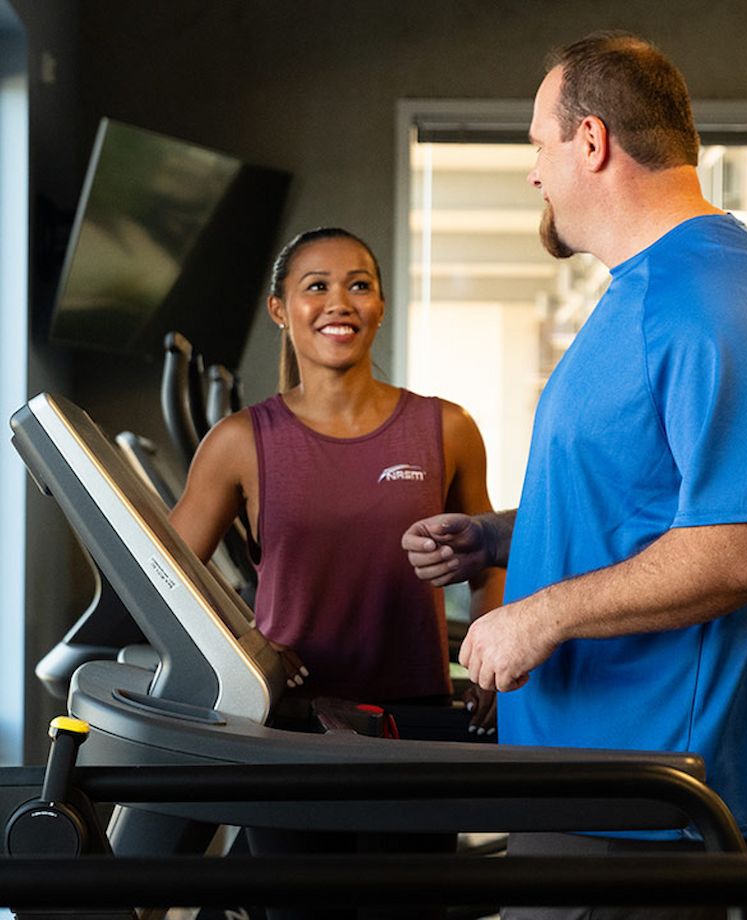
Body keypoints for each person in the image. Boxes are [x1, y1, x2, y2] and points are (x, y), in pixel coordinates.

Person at [402, 29, 747, 919]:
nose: (534, 174)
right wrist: (492, 539)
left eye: (537, 145)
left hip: (656, 798)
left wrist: (540, 615)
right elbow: (645, 502)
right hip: (589, 774)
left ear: (590, 141)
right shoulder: (641, 291)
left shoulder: (716, 301)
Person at [169, 227, 504, 920]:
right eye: (314, 286)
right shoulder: (239, 442)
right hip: (290, 731)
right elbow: (166, 578)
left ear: (380, 306)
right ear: (280, 309)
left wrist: (492, 652)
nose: (338, 302)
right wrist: (247, 647)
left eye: (358, 284)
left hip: (412, 725)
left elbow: (488, 557)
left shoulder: (447, 429)